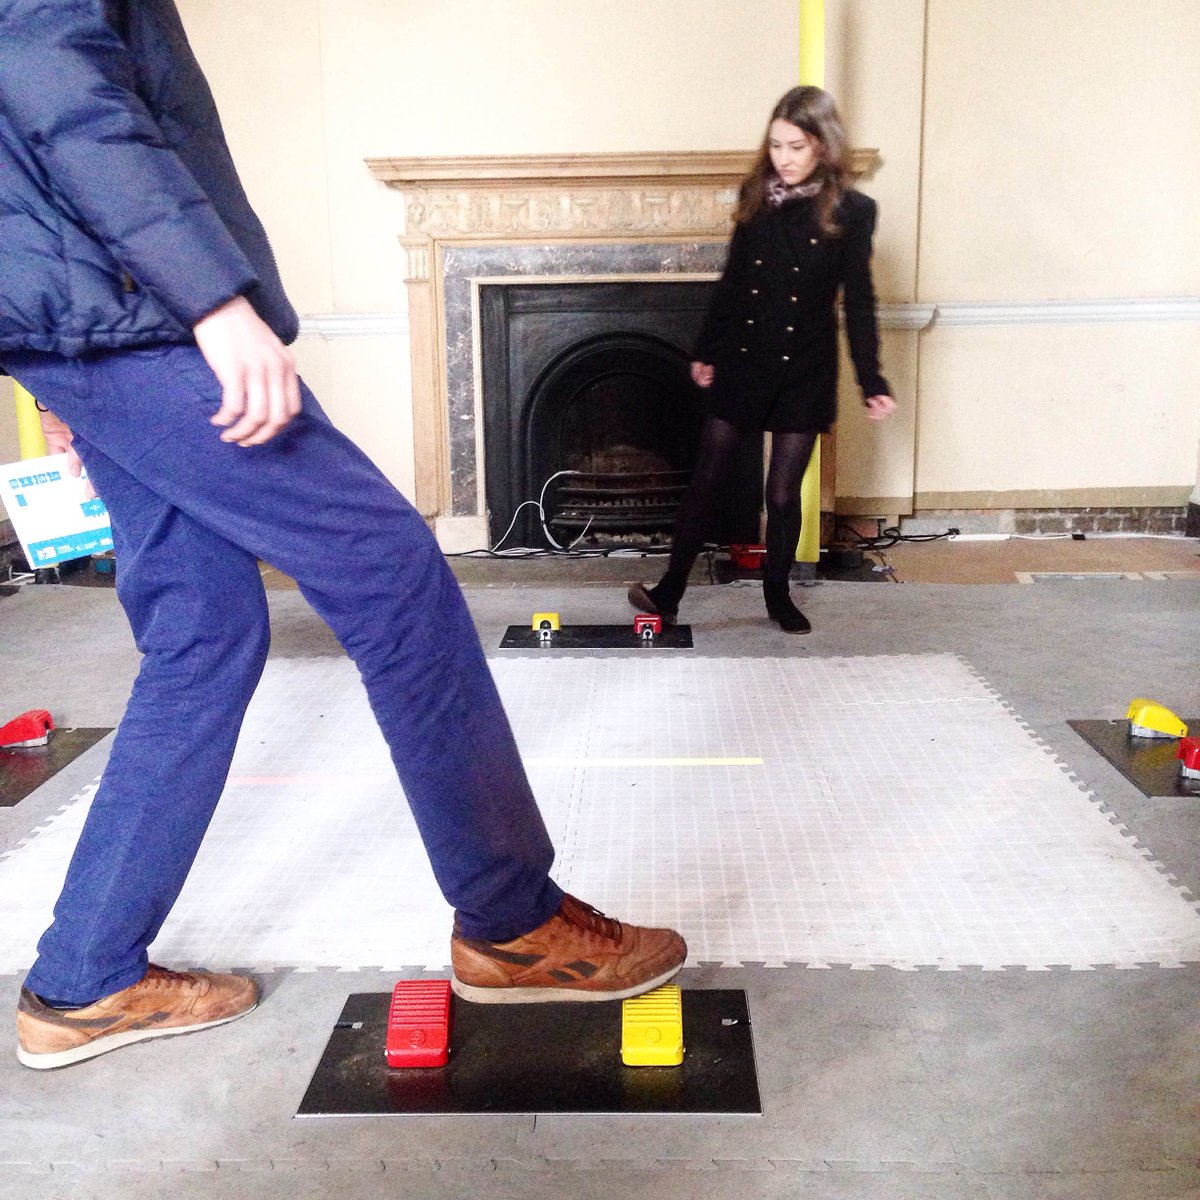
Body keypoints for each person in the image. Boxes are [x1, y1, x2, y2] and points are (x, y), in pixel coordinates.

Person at [0, 1, 685, 1071]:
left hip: (86, 318)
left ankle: (85, 975)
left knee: (201, 634)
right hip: (137, 313)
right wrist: (212, 302)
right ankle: (512, 922)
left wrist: (61, 370)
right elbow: (67, 98)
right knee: (389, 570)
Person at [629, 86, 896, 634]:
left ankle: (778, 597)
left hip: (805, 366)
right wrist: (706, 348)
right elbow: (733, 280)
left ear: (822, 145)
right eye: (776, 146)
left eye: (796, 147)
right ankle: (669, 591)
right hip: (745, 358)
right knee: (709, 477)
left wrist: (871, 379)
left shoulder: (853, 211)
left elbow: (859, 300)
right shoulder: (757, 195)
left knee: (782, 493)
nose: (784, 158)